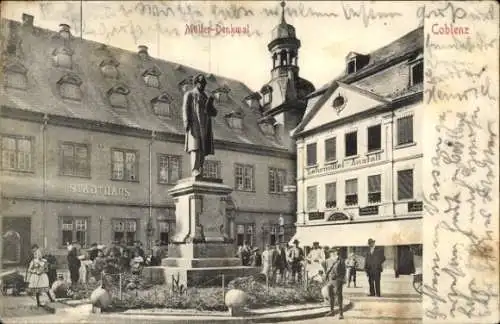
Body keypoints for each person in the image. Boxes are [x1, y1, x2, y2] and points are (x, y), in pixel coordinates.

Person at [182, 73, 218, 177]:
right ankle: (195, 169)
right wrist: (186, 122)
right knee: (195, 147)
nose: (203, 85)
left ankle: (200, 170)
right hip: (194, 124)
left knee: (202, 149)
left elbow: (214, 113)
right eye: (202, 83)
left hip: (205, 125)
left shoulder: (205, 97)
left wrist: (210, 104)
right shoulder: (190, 94)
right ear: (196, 83)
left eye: (204, 84)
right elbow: (185, 109)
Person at [324, 247, 346, 319]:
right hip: (330, 280)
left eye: (334, 252)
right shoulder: (328, 261)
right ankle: (332, 311)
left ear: (337, 253)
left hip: (337, 280)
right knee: (330, 296)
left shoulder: (341, 260)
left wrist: (341, 280)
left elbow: (344, 271)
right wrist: (326, 279)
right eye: (331, 252)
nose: (333, 253)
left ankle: (341, 313)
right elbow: (326, 270)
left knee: (339, 296)